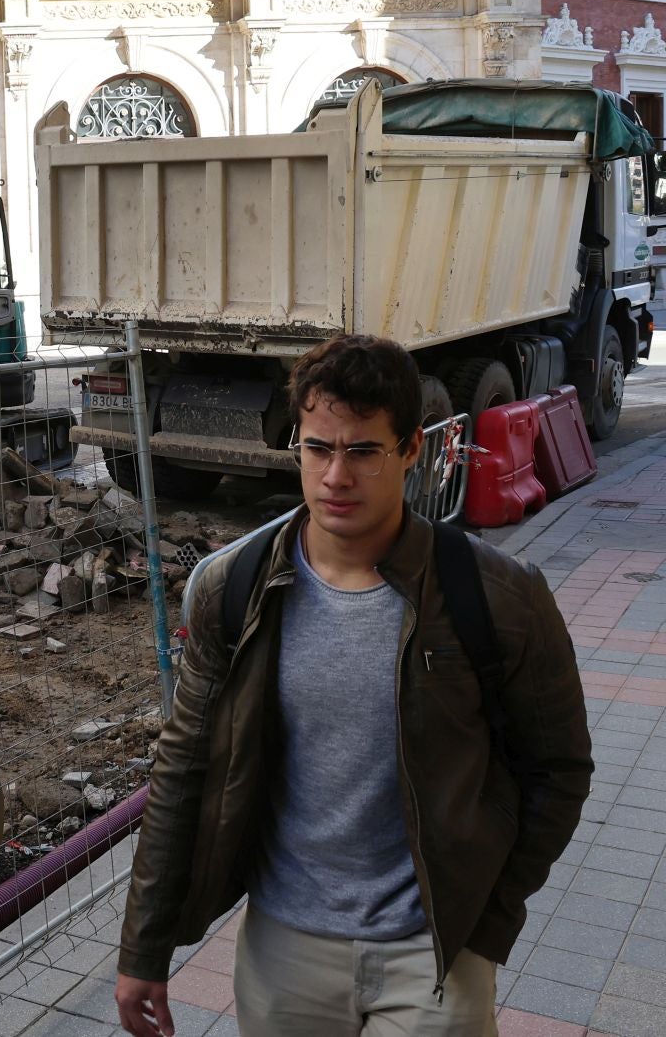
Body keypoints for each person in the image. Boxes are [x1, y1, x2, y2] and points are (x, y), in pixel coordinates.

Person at [115, 334, 591, 1037]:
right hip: (285, 951)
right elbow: (181, 766)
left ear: (410, 451)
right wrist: (142, 947)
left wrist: (487, 924)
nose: (336, 475)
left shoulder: (496, 595)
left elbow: (560, 770)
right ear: (297, 447)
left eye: (364, 451)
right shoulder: (236, 588)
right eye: (318, 448)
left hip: (431, 955)